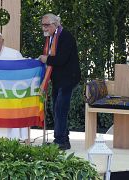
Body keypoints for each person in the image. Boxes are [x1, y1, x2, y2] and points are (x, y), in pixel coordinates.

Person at [39, 14, 81, 150]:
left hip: (68, 78)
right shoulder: (51, 37)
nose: (44, 27)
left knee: (60, 109)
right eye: (42, 25)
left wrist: (46, 60)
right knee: (56, 108)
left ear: (56, 24)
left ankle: (60, 141)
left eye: (47, 25)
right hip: (58, 79)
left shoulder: (65, 37)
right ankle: (63, 139)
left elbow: (61, 59)